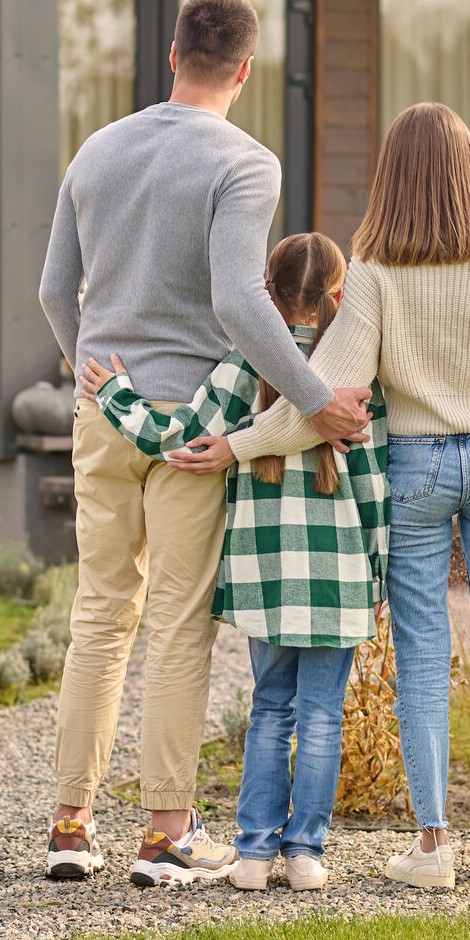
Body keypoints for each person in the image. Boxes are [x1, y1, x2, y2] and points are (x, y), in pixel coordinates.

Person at [171, 103, 470, 890]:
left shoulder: (375, 271)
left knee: (421, 657)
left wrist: (238, 444)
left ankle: (434, 847)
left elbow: (324, 400)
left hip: (414, 470)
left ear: (392, 178)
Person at [36, 0, 371, 886]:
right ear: (247, 70)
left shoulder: (97, 149)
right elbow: (236, 297)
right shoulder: (245, 162)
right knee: (179, 625)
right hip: (193, 426)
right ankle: (165, 835)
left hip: (104, 412)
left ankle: (71, 824)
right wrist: (316, 398)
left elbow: (51, 288)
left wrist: (92, 380)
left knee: (100, 615)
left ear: (173, 52)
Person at [78, 232, 388, 893]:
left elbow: (182, 435)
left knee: (270, 707)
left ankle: (251, 853)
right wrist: (377, 569)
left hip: (263, 576)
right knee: (324, 716)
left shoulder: (245, 364)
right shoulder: (356, 371)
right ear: (341, 295)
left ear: (264, 296)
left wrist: (116, 394)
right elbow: (373, 483)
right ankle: (304, 854)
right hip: (336, 581)